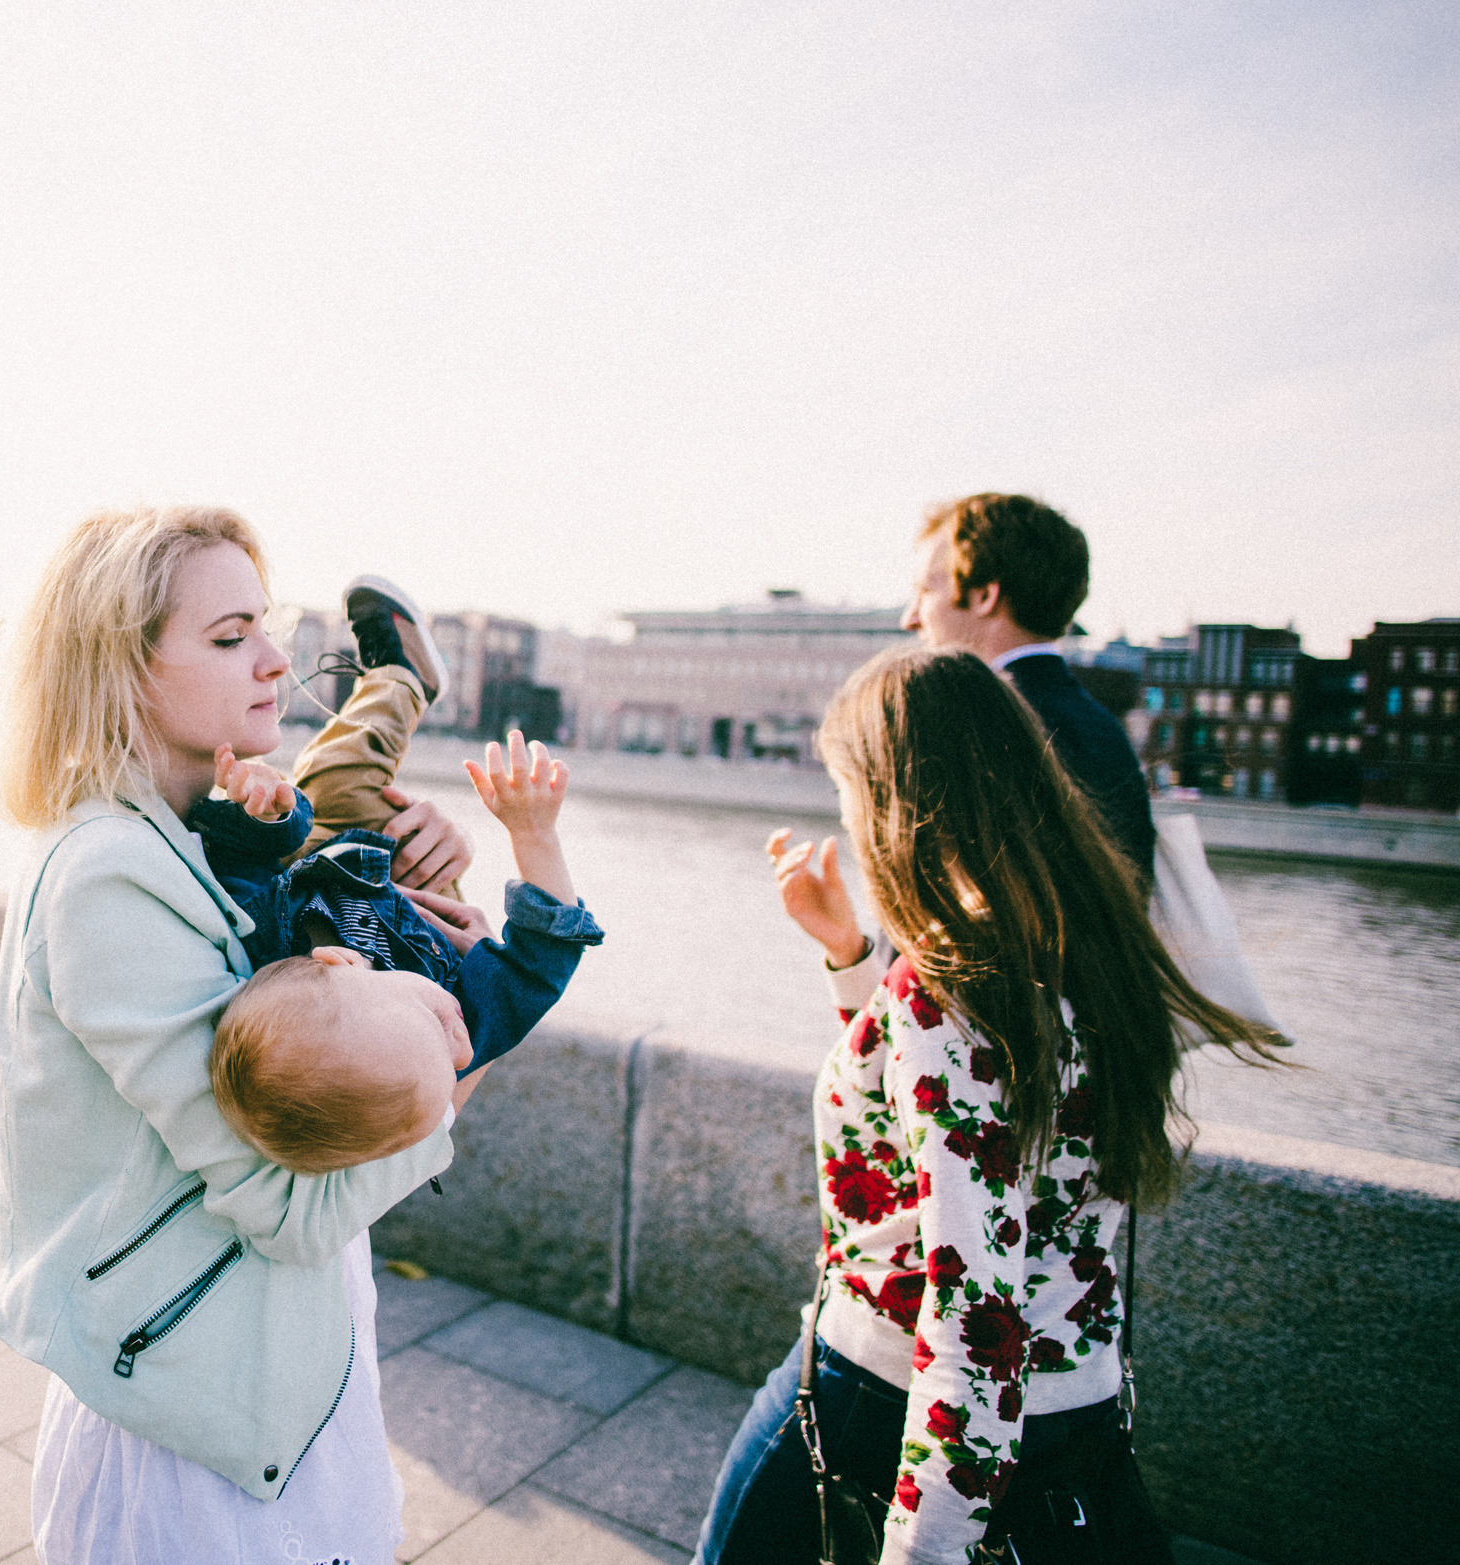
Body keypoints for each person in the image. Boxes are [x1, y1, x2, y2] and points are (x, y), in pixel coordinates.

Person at [0, 505, 490, 1561]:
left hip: (257, 1373)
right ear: (119, 669)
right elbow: (284, 1203)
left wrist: (415, 920)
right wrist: (450, 1053)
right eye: (228, 637)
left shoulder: (193, 843)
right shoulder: (114, 877)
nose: (275, 663)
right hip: (193, 1433)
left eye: (265, 627)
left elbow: (313, 1046)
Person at [696, 648, 1276, 1565]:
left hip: (886, 1393)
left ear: (893, 801)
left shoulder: (950, 988)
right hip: (1073, 1410)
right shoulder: (1089, 947)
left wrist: (926, 1552)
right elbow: (945, 1120)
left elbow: (975, 1319)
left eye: (849, 788)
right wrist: (851, 951)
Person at [198, 721, 601, 1171]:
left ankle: (400, 676)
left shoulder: (267, 936)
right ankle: (403, 678)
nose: (464, 1051)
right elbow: (544, 962)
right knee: (353, 781)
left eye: (432, 1024)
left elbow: (239, 860)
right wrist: (534, 834)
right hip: (417, 881)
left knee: (338, 769)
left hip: (341, 851)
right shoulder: (454, 1033)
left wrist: (267, 813)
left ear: (343, 961)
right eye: (452, 1071)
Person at [903, 492, 1153, 875]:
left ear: (985, 596)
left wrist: (853, 939)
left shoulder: (968, 726)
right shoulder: (1105, 732)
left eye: (924, 591)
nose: (911, 618)